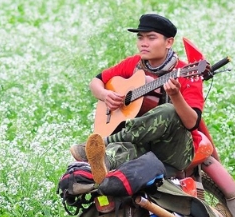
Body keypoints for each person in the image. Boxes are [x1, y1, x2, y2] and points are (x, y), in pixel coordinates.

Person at [71, 13, 205, 183]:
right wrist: (106, 95)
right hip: (138, 144)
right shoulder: (134, 64)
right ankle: (103, 162)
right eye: (140, 37)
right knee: (111, 158)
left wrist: (175, 96)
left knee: (169, 110)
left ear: (169, 42)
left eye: (151, 37)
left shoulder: (186, 72)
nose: (143, 43)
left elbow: (192, 123)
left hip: (173, 149)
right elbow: (96, 81)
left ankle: (103, 142)